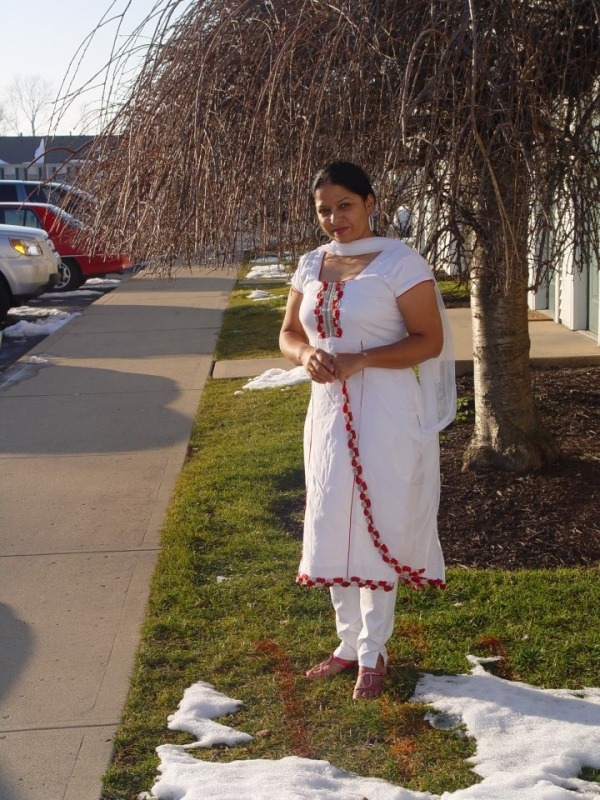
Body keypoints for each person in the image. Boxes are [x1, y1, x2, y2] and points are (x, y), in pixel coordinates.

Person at [279, 161, 456, 700]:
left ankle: (374, 650)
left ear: (371, 202)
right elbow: (288, 332)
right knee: (333, 514)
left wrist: (363, 360)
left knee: (378, 516)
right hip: (329, 413)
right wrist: (307, 352)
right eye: (324, 210)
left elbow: (428, 340)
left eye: (345, 206)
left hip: (386, 409)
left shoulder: (401, 264)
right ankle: (346, 643)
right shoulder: (311, 264)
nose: (335, 219)